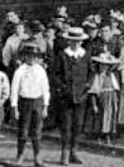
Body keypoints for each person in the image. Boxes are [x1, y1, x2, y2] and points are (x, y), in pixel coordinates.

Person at [53, 27, 92, 165]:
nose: (76, 44)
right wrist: (62, 89)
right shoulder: (62, 55)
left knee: (78, 125)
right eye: (73, 41)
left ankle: (74, 151)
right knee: (66, 125)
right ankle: (64, 152)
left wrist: (87, 86)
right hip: (66, 96)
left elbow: (91, 73)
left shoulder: (85, 55)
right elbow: (56, 75)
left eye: (78, 41)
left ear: (81, 42)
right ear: (68, 41)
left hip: (81, 96)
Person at [11, 42, 50, 167]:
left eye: (34, 56)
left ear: (38, 58)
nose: (31, 59)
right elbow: (14, 89)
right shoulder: (20, 71)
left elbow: (45, 88)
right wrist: (14, 107)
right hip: (24, 102)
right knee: (23, 131)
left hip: (37, 102)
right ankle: (20, 155)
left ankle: (37, 157)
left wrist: (45, 106)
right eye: (29, 56)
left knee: (37, 131)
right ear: (24, 56)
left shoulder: (41, 70)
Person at [87, 53, 120, 145]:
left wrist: (116, 100)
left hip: (111, 97)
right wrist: (94, 105)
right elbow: (93, 91)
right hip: (102, 98)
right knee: (101, 117)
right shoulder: (97, 76)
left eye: (106, 65)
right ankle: (99, 136)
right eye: (102, 65)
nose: (104, 67)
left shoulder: (111, 75)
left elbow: (115, 88)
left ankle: (108, 136)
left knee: (110, 117)